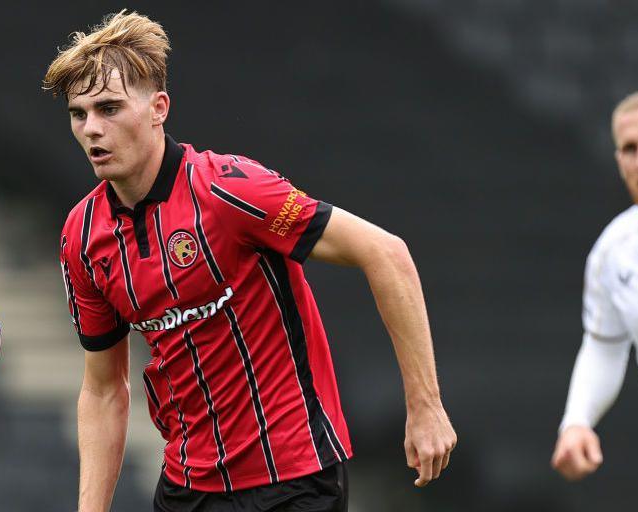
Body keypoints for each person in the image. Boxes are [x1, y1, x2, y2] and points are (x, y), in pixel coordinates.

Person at [45, 11, 456, 512]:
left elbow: (386, 252)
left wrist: (425, 405)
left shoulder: (229, 189)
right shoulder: (83, 237)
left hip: (294, 480)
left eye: (109, 108)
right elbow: (105, 390)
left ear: (158, 108)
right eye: (78, 114)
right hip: (187, 487)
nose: (92, 129)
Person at [552, 89, 638, 509]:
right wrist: (577, 421)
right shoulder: (614, 253)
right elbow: (603, 347)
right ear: (618, 162)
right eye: (630, 149)